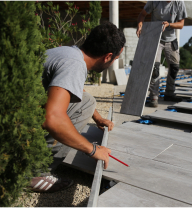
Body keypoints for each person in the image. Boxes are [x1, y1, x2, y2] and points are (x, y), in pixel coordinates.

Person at [29, 22, 126, 193]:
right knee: (80, 107)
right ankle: (34, 173)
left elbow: (74, 91)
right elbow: (52, 119)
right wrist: (93, 149)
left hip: (15, 114)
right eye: (115, 59)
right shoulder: (75, 64)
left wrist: (98, 118)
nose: (112, 63)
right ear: (107, 56)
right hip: (14, 128)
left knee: (87, 101)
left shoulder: (69, 53)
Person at [136, 1, 188, 107]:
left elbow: (181, 24)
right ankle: (154, 97)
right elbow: (142, 14)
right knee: (155, 69)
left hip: (171, 39)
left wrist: (169, 24)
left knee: (174, 67)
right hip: (155, 38)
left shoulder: (179, 3)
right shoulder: (155, 1)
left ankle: (169, 93)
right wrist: (140, 25)